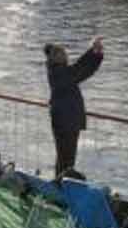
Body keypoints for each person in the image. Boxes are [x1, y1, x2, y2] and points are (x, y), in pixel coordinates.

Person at [44, 36, 103, 177]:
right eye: (63, 54)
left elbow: (83, 71)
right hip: (65, 122)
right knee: (66, 158)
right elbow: (79, 69)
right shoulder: (58, 73)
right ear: (56, 57)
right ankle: (61, 186)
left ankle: (61, 185)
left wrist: (96, 54)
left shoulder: (61, 71)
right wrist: (93, 52)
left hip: (67, 121)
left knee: (66, 158)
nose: (66, 56)